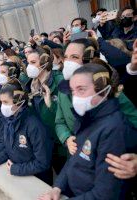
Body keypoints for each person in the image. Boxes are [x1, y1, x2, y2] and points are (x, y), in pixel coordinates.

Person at [39, 64, 137, 200]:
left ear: (103, 90)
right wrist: (57, 187)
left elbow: (106, 193)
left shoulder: (114, 130)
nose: (75, 98)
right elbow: (74, 159)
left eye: (81, 90)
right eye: (73, 91)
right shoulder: (86, 118)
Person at [55, 38, 137, 155]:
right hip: (79, 158)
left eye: (74, 57)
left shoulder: (109, 91)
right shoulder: (63, 89)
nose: (67, 62)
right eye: (66, 57)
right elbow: (59, 122)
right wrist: (66, 138)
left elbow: (134, 124)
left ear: (89, 60)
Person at [0, 81, 53, 185]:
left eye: (6, 102)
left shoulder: (34, 126)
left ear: (19, 101)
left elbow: (43, 163)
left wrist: (15, 169)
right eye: (2, 102)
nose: (2, 106)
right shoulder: (9, 120)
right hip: (20, 177)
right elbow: (8, 149)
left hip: (38, 181)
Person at [26, 48, 66, 174]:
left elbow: (67, 114)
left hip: (62, 142)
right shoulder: (30, 86)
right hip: (46, 143)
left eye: (33, 62)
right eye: (28, 63)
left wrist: (51, 105)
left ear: (44, 62)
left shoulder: (59, 81)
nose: (29, 66)